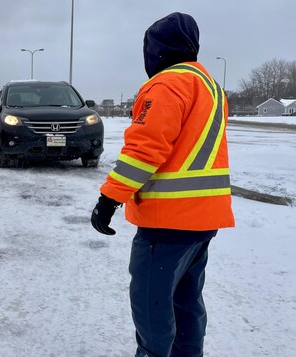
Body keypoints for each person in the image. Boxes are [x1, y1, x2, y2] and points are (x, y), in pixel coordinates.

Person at [90, 12, 235, 357]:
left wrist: (108, 199)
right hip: (204, 220)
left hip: (167, 222)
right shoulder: (211, 87)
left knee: (153, 308)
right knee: (186, 304)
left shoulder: (166, 85)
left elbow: (144, 150)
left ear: (154, 51)